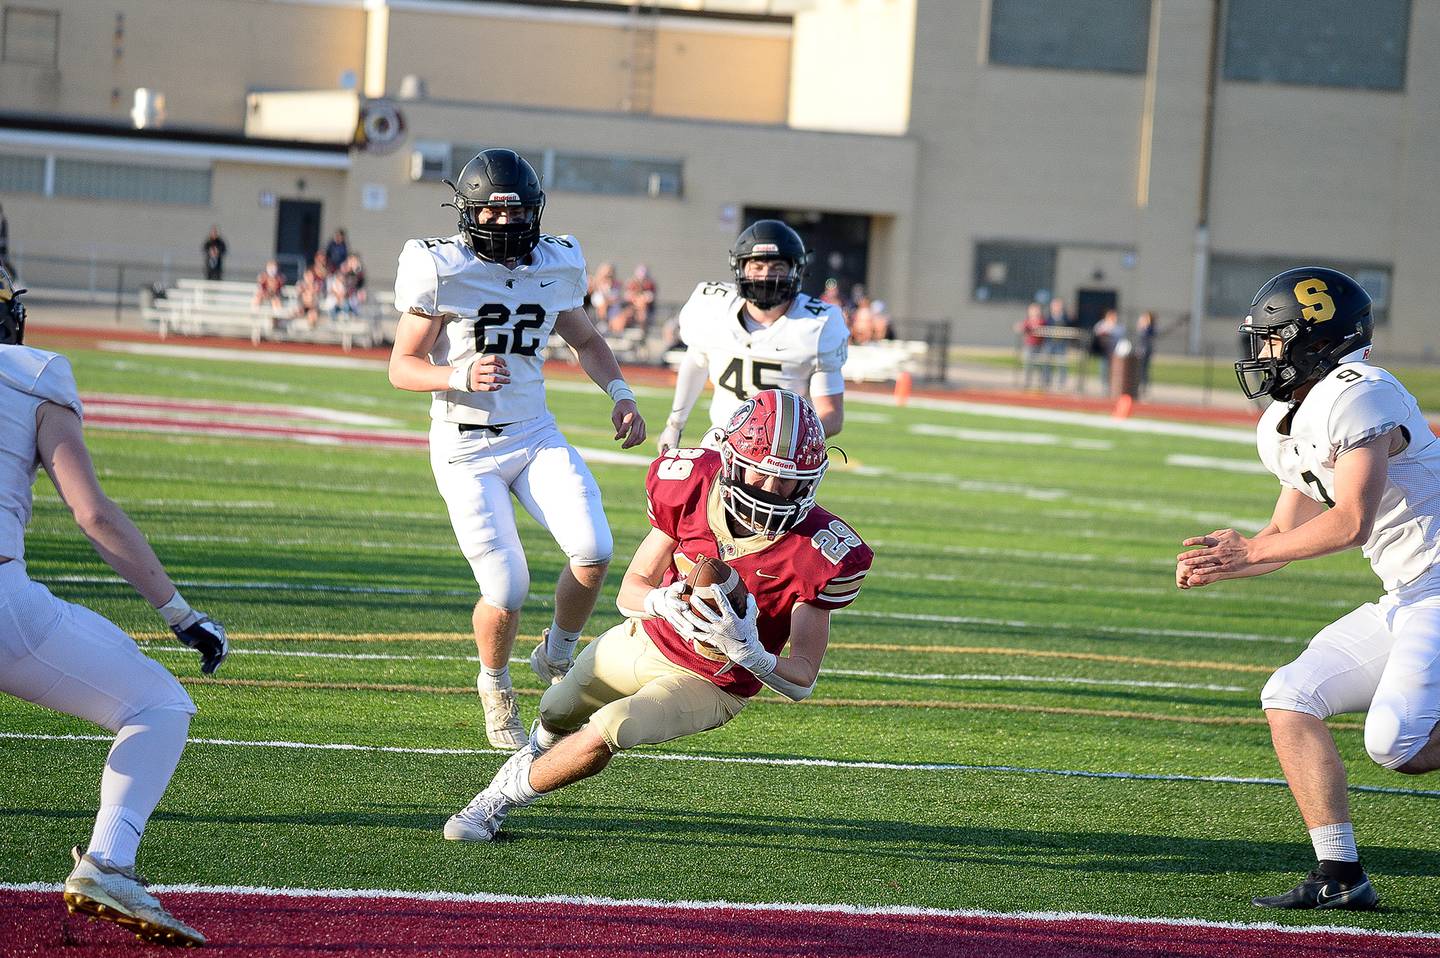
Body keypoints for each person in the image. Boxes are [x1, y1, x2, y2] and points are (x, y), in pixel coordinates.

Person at [443, 388, 872, 842]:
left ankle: (493, 802)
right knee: (556, 709)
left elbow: (802, 679)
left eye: (790, 481)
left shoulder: (825, 551)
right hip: (649, 638)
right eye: (760, 474)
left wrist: (748, 652)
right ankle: (535, 753)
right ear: (729, 459)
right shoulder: (688, 486)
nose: (773, 491)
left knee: (612, 727)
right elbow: (632, 587)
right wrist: (658, 602)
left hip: (713, 681)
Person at [1176, 266, 1440, 912]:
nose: (1260, 355)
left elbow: (1352, 521)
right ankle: (1340, 875)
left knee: (1395, 741)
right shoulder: (1288, 422)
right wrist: (1227, 561)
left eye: (1272, 340)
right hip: (1409, 594)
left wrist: (1254, 549)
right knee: (1289, 695)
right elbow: (1279, 535)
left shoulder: (1360, 392)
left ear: (1314, 341)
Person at [389, 148, 646, 750]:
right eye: (493, 212)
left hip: (533, 434)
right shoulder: (441, 268)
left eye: (516, 211)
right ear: (469, 212)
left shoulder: (555, 265)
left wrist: (620, 392)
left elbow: (585, 338)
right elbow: (402, 366)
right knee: (505, 589)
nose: (506, 223)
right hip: (465, 447)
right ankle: (494, 683)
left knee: (595, 547)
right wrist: (458, 376)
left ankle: (557, 653)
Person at [0, 267, 228, 946]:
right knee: (157, 704)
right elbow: (93, 513)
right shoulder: (32, 375)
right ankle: (109, 863)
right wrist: (180, 613)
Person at [657, 220, 848, 454]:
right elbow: (696, 361)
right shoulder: (712, 308)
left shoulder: (817, 325)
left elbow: (831, 415)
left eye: (777, 267)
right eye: (756, 267)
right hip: (721, 443)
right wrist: (674, 424)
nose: (766, 276)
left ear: (796, 271)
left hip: (781, 455)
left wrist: (784, 440)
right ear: (740, 269)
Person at [1090, 308, 1122, 395]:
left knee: (1114, 370)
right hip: (1104, 351)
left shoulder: (1118, 327)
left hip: (1115, 352)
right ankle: (1104, 386)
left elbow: (1120, 334)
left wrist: (1111, 331)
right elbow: (1096, 331)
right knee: (1104, 368)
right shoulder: (1101, 324)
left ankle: (1113, 386)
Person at [1015, 302, 1047, 389]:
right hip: (1029, 345)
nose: (1034, 312)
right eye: (1032, 310)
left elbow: (1041, 329)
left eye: (1036, 310)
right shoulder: (1027, 321)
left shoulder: (1042, 321)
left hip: (1040, 346)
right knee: (1028, 364)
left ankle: (1041, 383)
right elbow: (1022, 327)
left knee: (1039, 364)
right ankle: (1026, 382)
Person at [621, 263, 657, 333]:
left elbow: (650, 297)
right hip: (632, 307)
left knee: (642, 314)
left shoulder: (650, 284)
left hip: (645, 309)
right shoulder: (632, 283)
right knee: (625, 316)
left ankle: (643, 333)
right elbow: (627, 296)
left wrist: (641, 298)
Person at [587, 262, 621, 331]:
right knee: (602, 303)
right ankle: (603, 322)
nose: (609, 275)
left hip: (612, 307)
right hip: (598, 302)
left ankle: (610, 325)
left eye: (610, 273)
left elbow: (616, 298)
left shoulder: (616, 284)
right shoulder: (595, 282)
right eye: (607, 273)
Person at [1135, 310, 1157, 397]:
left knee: (1144, 370)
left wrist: (1144, 324)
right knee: (1139, 370)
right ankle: (1140, 386)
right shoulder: (1143, 327)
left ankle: (1144, 387)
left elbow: (1148, 334)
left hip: (1146, 351)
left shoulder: (1150, 328)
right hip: (1141, 350)